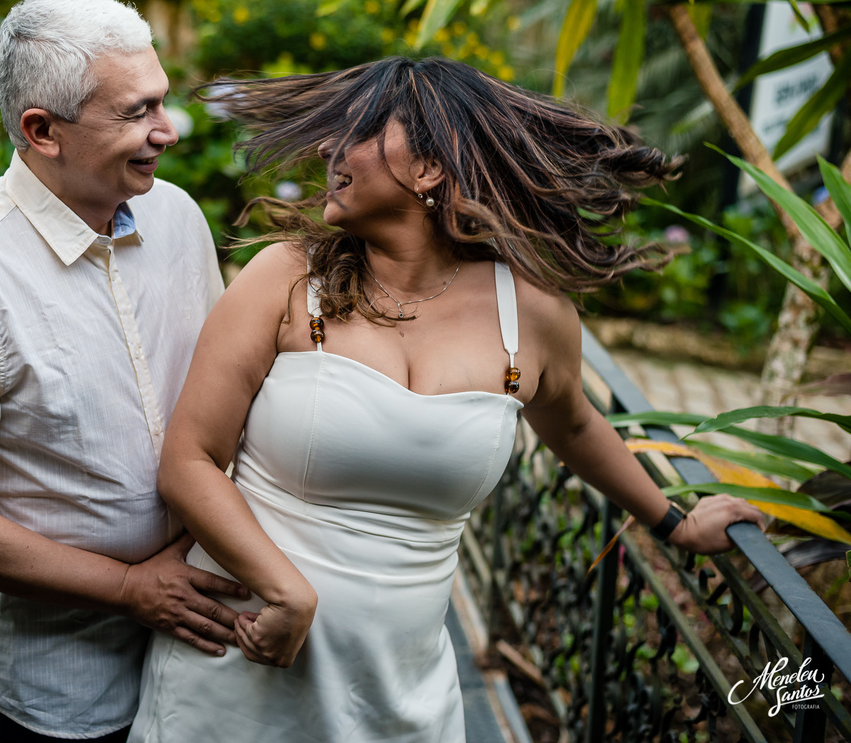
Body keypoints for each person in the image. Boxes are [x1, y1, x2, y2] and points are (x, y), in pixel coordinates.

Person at [128, 56, 765, 743]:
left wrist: (674, 522)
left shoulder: (530, 315)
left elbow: (575, 423)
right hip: (237, 666)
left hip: (398, 695)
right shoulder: (285, 279)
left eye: (354, 131)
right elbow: (188, 460)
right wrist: (285, 590)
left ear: (429, 169)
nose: (323, 149)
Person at [0, 0, 244, 743]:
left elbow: (227, 388)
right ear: (41, 131)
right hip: (60, 690)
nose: (167, 131)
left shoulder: (177, 216)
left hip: (205, 650)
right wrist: (129, 587)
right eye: (137, 112)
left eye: (162, 103)